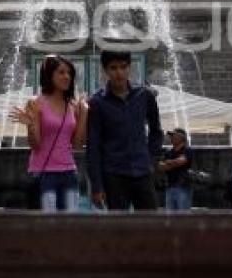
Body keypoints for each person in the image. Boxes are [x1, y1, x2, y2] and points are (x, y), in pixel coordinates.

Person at [87, 50, 163, 211]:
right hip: (114, 175)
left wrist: (151, 160)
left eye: (123, 67)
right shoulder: (97, 102)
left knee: (153, 227)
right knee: (118, 229)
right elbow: (93, 146)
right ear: (105, 70)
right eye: (113, 68)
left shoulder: (145, 96)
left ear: (129, 67)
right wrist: (97, 186)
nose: (119, 73)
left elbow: (156, 131)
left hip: (142, 172)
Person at [10, 55, 88, 212]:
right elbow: (35, 145)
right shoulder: (35, 103)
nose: (67, 77)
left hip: (69, 172)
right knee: (48, 225)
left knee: (70, 224)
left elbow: (78, 145)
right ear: (49, 75)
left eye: (69, 73)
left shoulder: (73, 105)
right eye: (61, 72)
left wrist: (84, 114)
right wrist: (31, 125)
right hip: (44, 173)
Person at [158, 128, 193, 211]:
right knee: (170, 217)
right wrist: (173, 163)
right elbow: (161, 166)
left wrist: (169, 162)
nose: (171, 138)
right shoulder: (168, 152)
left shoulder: (187, 150)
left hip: (182, 187)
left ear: (181, 137)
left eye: (174, 135)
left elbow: (181, 161)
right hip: (170, 187)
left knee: (183, 216)